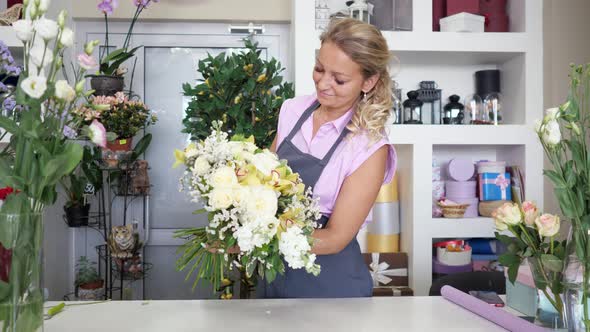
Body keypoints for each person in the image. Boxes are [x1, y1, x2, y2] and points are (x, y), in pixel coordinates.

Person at [261, 18, 397, 298]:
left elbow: (336, 238)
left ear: (368, 82)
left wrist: (258, 237)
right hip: (275, 275)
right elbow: (264, 180)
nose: (323, 83)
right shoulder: (292, 111)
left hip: (330, 287)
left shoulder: (368, 146)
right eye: (319, 69)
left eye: (339, 79)